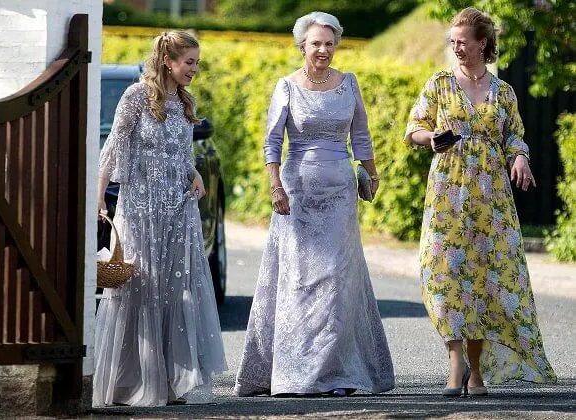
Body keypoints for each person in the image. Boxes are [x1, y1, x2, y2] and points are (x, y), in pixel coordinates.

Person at [234, 11, 395, 398]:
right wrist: (275, 187)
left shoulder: (349, 83)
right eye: (316, 43)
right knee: (300, 280)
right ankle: (294, 374)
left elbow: (362, 137)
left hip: (340, 191)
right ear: (302, 45)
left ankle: (337, 373)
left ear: (336, 44)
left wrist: (371, 175)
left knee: (337, 281)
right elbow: (272, 142)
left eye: (329, 43)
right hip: (298, 194)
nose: (323, 50)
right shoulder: (287, 86)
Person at [405, 7, 557, 397]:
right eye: (451, 42)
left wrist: (520, 157)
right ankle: (455, 361)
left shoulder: (503, 92)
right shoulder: (439, 84)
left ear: (482, 43)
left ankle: (475, 371)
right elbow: (413, 128)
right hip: (447, 194)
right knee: (444, 273)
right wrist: (431, 138)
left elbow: (515, 138)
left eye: (462, 42)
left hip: (491, 197)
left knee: (486, 279)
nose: (456, 48)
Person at [93, 31, 227, 407]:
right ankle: (130, 382)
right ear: (168, 60)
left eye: (197, 63)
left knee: (176, 291)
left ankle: (171, 382)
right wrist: (99, 191)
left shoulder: (187, 100)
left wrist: (195, 174)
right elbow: (115, 143)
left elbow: (183, 153)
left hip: (178, 207)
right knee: (140, 289)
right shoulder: (136, 96)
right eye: (190, 63)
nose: (194, 70)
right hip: (140, 206)